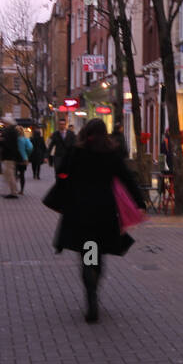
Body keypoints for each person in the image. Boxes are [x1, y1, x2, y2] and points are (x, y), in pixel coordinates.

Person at [49, 118, 147, 323]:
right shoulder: (111, 153)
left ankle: (90, 290)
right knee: (97, 252)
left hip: (80, 210)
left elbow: (62, 173)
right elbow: (126, 178)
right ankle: (94, 282)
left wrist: (66, 186)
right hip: (104, 210)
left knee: (87, 251)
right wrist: (140, 202)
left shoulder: (77, 152)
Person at [0, 120, 21, 197]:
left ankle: (13, 192)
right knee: (9, 174)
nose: (3, 124)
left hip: (8, 156)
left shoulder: (9, 132)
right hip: (11, 156)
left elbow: (7, 143)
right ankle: (13, 191)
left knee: (10, 174)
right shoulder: (12, 131)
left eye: (4, 122)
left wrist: (2, 140)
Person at [16, 125, 32, 192]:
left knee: (14, 173)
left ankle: (15, 189)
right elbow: (30, 147)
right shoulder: (26, 138)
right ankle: (22, 190)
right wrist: (27, 154)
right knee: (22, 174)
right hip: (23, 158)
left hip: (15, 158)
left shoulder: (14, 139)